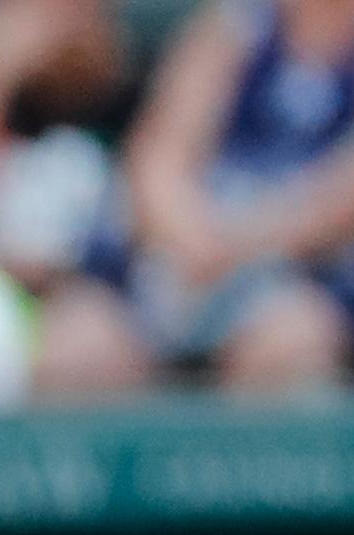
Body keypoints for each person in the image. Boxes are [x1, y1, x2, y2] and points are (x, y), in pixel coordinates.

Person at [87, 0, 354, 389]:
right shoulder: (238, 21)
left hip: (306, 278)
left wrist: (242, 245)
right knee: (82, 345)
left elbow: (339, 202)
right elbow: (158, 158)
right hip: (185, 264)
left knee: (289, 343)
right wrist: (189, 237)